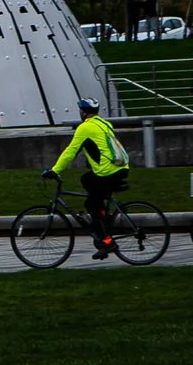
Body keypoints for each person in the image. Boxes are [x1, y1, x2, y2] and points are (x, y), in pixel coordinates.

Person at [45, 98, 131, 258]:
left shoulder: (85, 128)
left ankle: (106, 242)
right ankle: (102, 216)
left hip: (107, 171)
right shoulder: (104, 123)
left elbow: (71, 151)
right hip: (120, 168)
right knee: (86, 179)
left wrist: (55, 170)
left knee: (90, 203)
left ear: (83, 112)